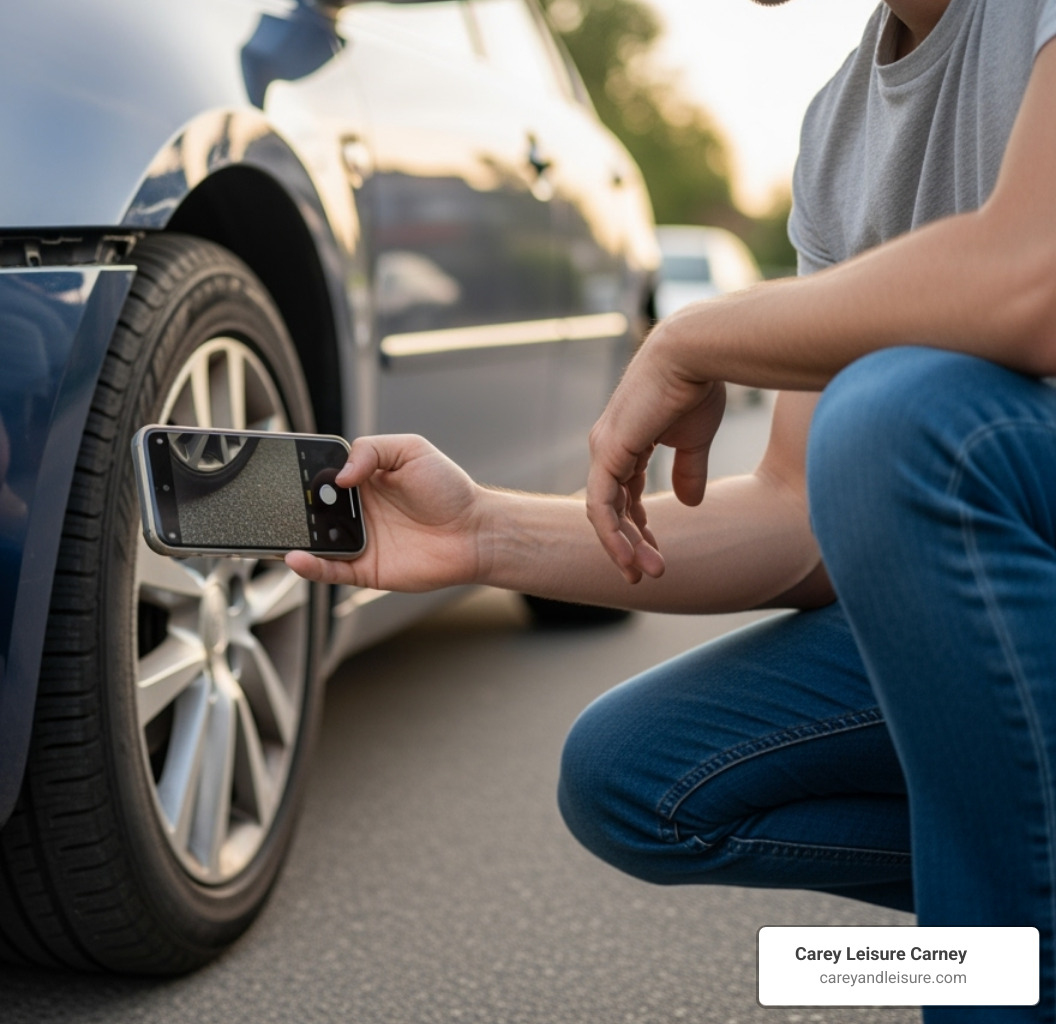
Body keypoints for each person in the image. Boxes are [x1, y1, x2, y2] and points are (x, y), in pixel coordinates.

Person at [286, 1, 1056, 1019]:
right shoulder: (840, 129)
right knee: (637, 776)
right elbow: (801, 513)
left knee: (893, 417)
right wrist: (479, 531)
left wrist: (697, 335)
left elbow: (1032, 281)